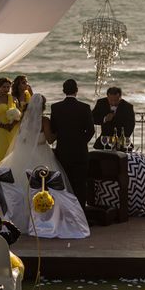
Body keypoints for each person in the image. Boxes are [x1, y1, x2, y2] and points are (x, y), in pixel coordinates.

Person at [0, 93, 90, 238]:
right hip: (42, 153)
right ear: (43, 107)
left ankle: (23, 217)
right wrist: (60, 132)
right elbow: (50, 139)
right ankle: (45, 217)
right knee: (47, 185)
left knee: (23, 184)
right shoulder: (44, 121)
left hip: (25, 153)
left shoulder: (23, 120)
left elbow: (22, 139)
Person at [51, 79, 95, 209]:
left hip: (62, 150)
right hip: (80, 152)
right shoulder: (84, 107)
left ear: (64, 90)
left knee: (64, 182)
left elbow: (54, 129)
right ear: (76, 90)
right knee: (80, 184)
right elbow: (91, 130)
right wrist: (81, 142)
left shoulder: (56, 107)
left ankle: (65, 210)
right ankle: (80, 212)